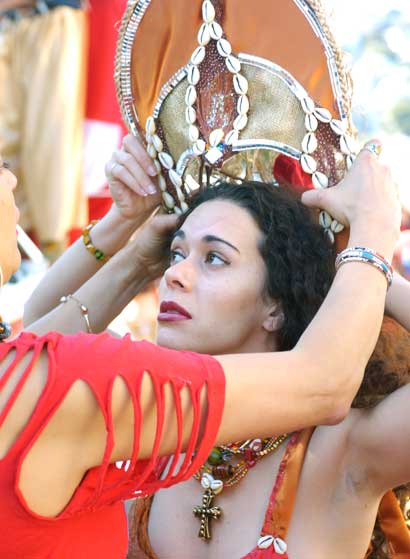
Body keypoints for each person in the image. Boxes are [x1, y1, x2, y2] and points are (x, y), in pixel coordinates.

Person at [22, 134, 403, 559]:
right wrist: (127, 239)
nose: (175, 275)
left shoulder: (340, 451)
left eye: (214, 258)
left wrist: (364, 257)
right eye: (175, 254)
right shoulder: (150, 419)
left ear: (275, 305)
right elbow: (40, 340)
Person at [0, 0, 87, 258]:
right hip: (12, 24)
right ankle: (14, 254)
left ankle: (56, 259)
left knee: (50, 148)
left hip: (52, 20)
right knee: (6, 145)